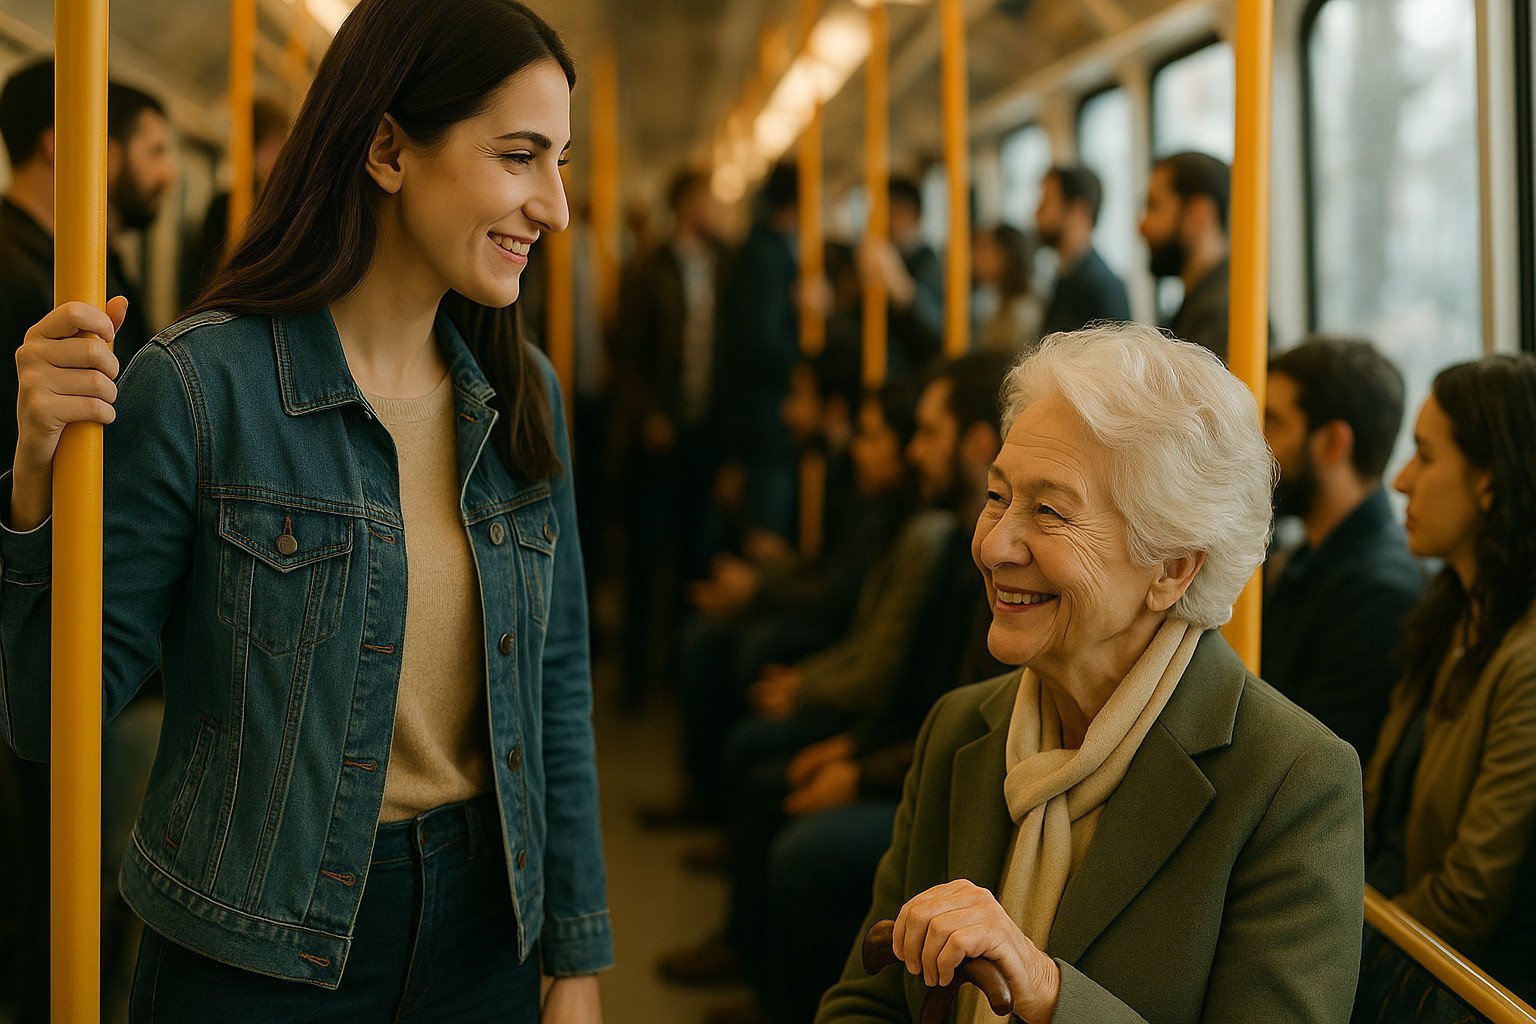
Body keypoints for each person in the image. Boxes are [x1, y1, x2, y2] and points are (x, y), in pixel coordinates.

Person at [0, 1, 611, 1020]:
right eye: (518, 157)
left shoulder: (521, 396)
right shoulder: (200, 389)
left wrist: (576, 956)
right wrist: (34, 480)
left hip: (484, 934)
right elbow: (44, 715)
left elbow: (554, 689)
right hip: (255, 949)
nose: (552, 205)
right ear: (388, 150)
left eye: (561, 162)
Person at [817, 324, 1364, 1023]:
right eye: (996, 496)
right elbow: (867, 1001)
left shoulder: (1289, 780)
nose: (994, 545)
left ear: (1172, 568)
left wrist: (1048, 993)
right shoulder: (960, 728)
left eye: (1048, 511)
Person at [0, 62, 176, 1023]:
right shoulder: (26, 281)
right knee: (52, 894)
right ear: (63, 143)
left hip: (86, 620)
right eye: (134, 145)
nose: (157, 171)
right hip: (42, 618)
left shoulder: (80, 267)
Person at [1364, 354, 1536, 1000]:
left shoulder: (1526, 661)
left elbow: (1466, 900)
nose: (1402, 480)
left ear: (1489, 480)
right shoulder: (1452, 615)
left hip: (1450, 981)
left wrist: (1336, 941)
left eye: (1426, 456)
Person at [0, 62, 176, 463]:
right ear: (57, 145)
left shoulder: (96, 262)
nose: (168, 174)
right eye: (155, 152)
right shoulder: (15, 272)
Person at [1262, 337, 1423, 760]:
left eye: (1273, 423)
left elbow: (1310, 763)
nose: (1255, 444)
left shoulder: (1379, 594)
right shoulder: (1302, 560)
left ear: (1333, 443)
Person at [610, 167, 727, 710]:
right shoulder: (648, 268)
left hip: (704, 432)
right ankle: (634, 679)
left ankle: (679, 674)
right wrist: (648, 415)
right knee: (646, 553)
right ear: (686, 205)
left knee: (692, 553)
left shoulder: (723, 266)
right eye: (708, 200)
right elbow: (627, 352)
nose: (717, 210)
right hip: (658, 433)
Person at [712, 162, 803, 541]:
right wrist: (802, 361)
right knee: (764, 521)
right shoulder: (768, 254)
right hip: (766, 413)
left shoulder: (760, 247)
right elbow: (761, 341)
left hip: (753, 411)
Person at [185, 97, 292, 302]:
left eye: (282, 143)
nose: (278, 155)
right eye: (271, 145)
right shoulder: (226, 206)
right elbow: (202, 276)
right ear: (252, 148)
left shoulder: (288, 205)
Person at [1138, 151, 1231, 361]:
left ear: (1199, 213)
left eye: (1154, 206)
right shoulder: (1201, 301)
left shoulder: (1220, 315)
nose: (1141, 225)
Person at [856, 178, 944, 382]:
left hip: (914, 375)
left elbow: (935, 332)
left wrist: (894, 280)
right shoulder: (880, 258)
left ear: (910, 215)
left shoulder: (928, 262)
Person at [1035, 165, 1131, 337]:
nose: (1036, 213)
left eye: (1046, 203)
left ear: (1079, 210)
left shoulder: (1101, 287)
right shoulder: (1065, 277)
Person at [972, 224, 1042, 354]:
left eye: (984, 251)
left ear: (1007, 256)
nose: (975, 259)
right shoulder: (996, 300)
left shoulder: (1020, 311)